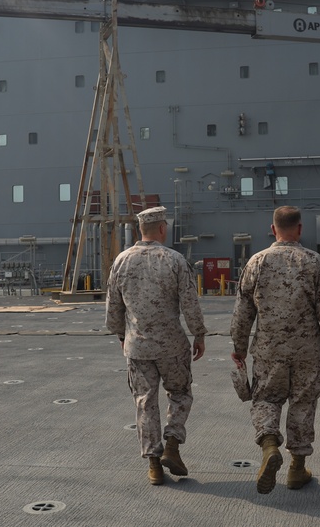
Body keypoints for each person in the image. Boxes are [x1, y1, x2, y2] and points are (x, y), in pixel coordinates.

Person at [231, 206, 320, 494]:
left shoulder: (257, 262)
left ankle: (270, 445)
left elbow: (243, 311)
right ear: (300, 229)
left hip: (269, 350)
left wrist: (239, 347)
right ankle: (296, 468)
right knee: (303, 403)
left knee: (266, 399)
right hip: (306, 350)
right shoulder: (314, 262)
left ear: (273, 230)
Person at [106, 206, 207, 486]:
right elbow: (190, 303)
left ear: (141, 230)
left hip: (137, 347)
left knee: (145, 402)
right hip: (173, 346)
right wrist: (198, 334)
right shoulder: (174, 260)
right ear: (162, 228)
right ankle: (172, 445)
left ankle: (154, 466)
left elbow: (113, 307)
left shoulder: (121, 261)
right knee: (180, 393)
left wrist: (120, 335)